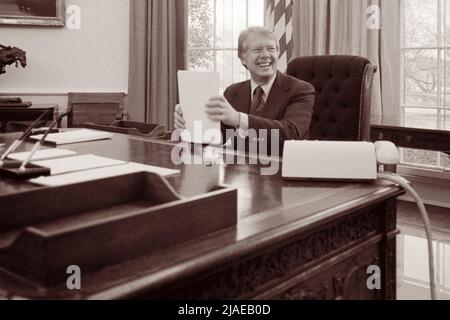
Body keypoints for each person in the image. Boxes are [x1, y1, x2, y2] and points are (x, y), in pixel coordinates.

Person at [174, 26, 315, 153]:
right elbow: (218, 138)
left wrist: (238, 119)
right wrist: (190, 124)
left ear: (278, 53)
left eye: (271, 49)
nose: (266, 55)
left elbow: (292, 133)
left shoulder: (300, 90)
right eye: (257, 49)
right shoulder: (232, 92)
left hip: (281, 171)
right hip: (239, 173)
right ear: (243, 59)